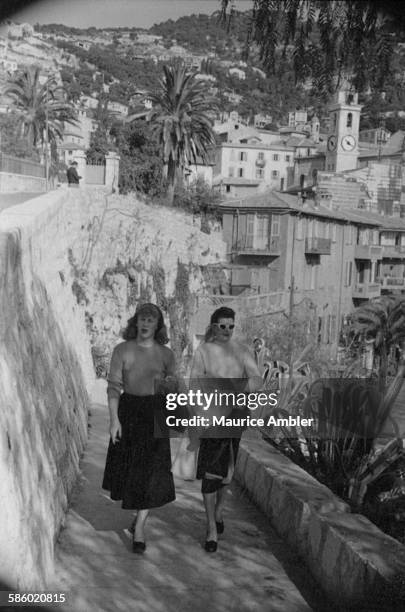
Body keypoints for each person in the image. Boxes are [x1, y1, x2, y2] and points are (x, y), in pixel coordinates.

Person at [102, 303, 176, 554]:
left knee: (152, 471)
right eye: (142, 319)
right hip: (129, 411)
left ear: (158, 326)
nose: (145, 324)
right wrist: (114, 420)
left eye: (151, 320)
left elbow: (173, 389)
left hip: (156, 412)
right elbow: (113, 387)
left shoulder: (166, 355)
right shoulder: (121, 350)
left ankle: (141, 526)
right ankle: (137, 515)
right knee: (131, 469)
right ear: (136, 322)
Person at [190, 307, 262, 553]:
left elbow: (256, 379)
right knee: (210, 473)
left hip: (235, 418)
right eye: (222, 326)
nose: (227, 331)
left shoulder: (242, 351)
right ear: (213, 326)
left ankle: (219, 510)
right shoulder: (203, 352)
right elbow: (194, 383)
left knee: (226, 474)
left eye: (231, 326)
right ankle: (211, 527)